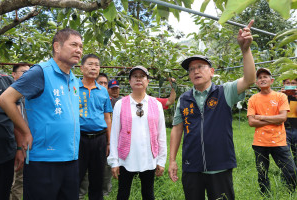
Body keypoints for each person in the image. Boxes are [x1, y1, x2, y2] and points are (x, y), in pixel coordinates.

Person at [168, 20, 256, 200]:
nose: (195, 71)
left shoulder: (225, 92)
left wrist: (245, 50)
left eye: (200, 67)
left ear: (212, 71)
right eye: (191, 69)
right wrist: (172, 160)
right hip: (191, 166)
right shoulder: (184, 99)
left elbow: (249, 80)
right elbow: (177, 129)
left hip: (220, 165)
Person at [0, 28, 83, 200]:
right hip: (44, 160)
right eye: (73, 44)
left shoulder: (74, 79)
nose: (79, 50)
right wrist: (25, 131)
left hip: (71, 159)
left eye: (81, 46)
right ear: (57, 47)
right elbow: (6, 99)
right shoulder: (41, 72)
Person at [108, 66, 167, 200]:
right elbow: (115, 134)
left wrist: (161, 160)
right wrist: (114, 161)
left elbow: (161, 134)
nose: (138, 78)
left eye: (142, 76)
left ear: (147, 81)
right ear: (129, 81)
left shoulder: (155, 104)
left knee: (148, 194)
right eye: (135, 76)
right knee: (123, 193)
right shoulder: (120, 104)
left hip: (149, 157)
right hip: (126, 157)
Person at [248, 69, 297, 194]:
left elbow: (282, 118)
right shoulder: (253, 99)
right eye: (259, 78)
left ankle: (291, 192)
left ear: (272, 80)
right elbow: (251, 122)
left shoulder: (280, 96)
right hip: (260, 142)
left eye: (265, 77)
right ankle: (265, 195)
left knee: (290, 170)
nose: (262, 79)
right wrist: (274, 120)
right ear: (256, 82)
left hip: (279, 141)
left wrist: (261, 117)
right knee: (262, 172)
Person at [78, 54, 112, 200]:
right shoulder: (73, 87)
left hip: (99, 139)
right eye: (90, 64)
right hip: (79, 138)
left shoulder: (103, 91)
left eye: (97, 65)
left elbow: (107, 118)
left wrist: (109, 142)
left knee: (97, 178)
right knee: (76, 177)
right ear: (81, 68)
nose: (93, 68)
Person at [0, 42, 23, 200]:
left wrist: (20, 148)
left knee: (3, 193)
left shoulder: (7, 83)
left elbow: (17, 120)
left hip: (6, 154)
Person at [10, 63, 30, 200]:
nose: (27, 75)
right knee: (11, 179)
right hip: (11, 144)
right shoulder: (8, 95)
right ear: (14, 75)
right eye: (24, 72)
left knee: (21, 180)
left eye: (29, 72)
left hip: (27, 143)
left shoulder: (30, 95)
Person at [281, 79, 297, 165]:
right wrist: (282, 97)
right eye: (287, 83)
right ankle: (286, 175)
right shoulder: (280, 96)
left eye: (293, 83)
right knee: (285, 154)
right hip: (284, 129)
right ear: (284, 84)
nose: (290, 85)